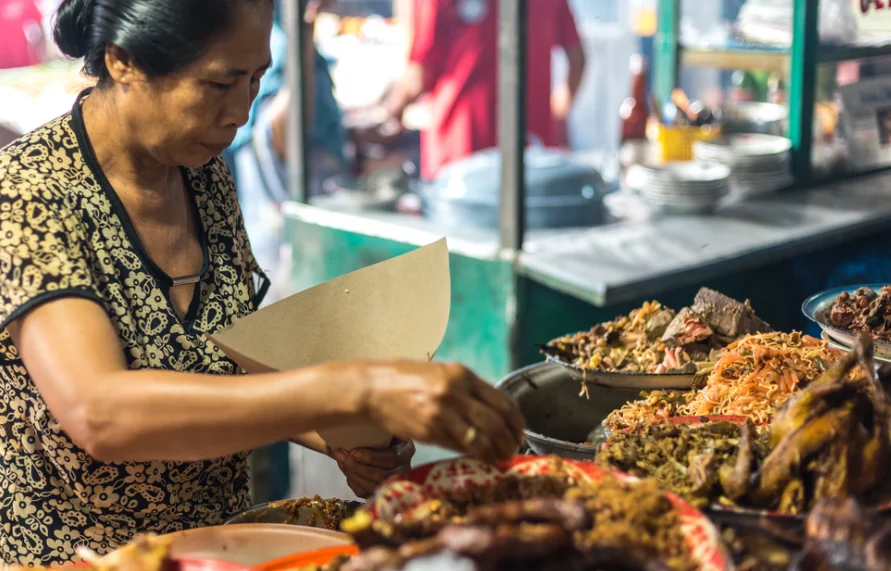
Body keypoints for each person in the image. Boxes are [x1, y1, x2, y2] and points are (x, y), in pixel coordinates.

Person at [0, 0, 525, 565]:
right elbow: (100, 413)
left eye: (255, 81)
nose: (241, 113)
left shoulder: (203, 177)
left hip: (221, 549)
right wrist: (358, 389)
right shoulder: (29, 196)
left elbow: (226, 363)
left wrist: (345, 437)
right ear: (123, 61)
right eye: (220, 83)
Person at [385, 0, 586, 181]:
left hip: (460, 149)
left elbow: (419, 76)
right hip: (530, 152)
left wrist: (388, 113)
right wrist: (555, 116)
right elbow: (577, 59)